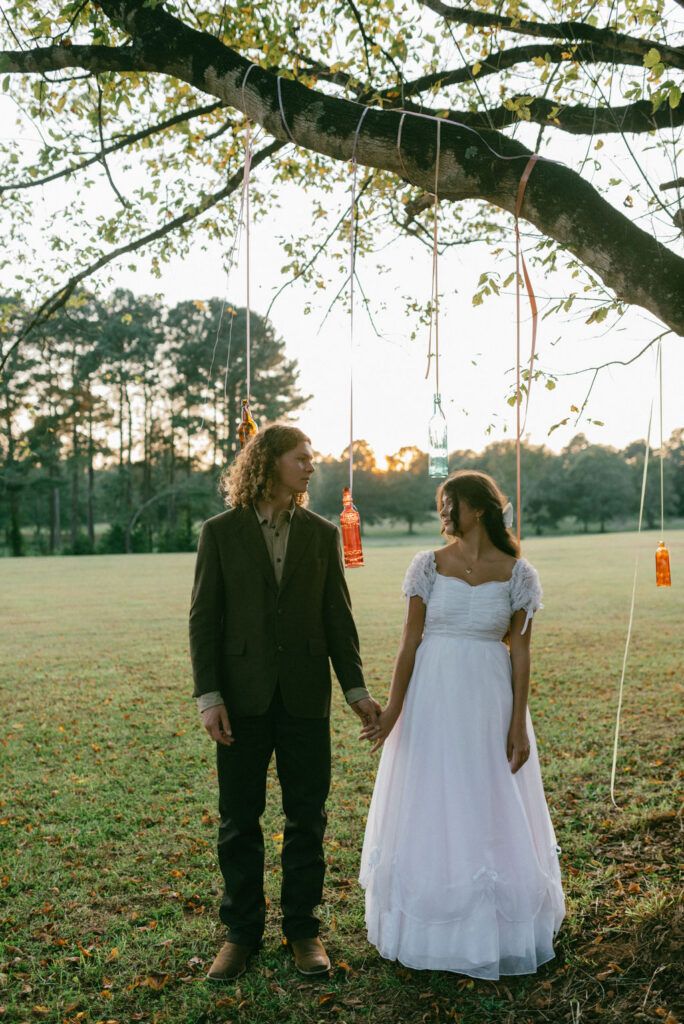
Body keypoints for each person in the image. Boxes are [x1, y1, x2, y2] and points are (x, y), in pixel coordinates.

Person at [189, 424, 380, 981]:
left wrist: (357, 692)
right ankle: (241, 934)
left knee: (307, 819)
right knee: (238, 822)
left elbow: (337, 620)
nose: (311, 467)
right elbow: (204, 619)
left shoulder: (321, 535)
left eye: (311, 459)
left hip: (304, 699)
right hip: (239, 701)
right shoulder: (219, 532)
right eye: (302, 458)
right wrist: (209, 696)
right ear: (270, 462)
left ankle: (303, 930)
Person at [359, 470, 565, 979]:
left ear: (477, 508)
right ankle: (431, 925)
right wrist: (392, 710)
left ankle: (492, 925)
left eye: (450, 504)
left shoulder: (519, 573)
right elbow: (409, 642)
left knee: (487, 796)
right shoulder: (426, 565)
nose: (443, 513)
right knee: (433, 797)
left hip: (489, 698)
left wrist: (518, 723)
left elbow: (521, 652)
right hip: (432, 696)